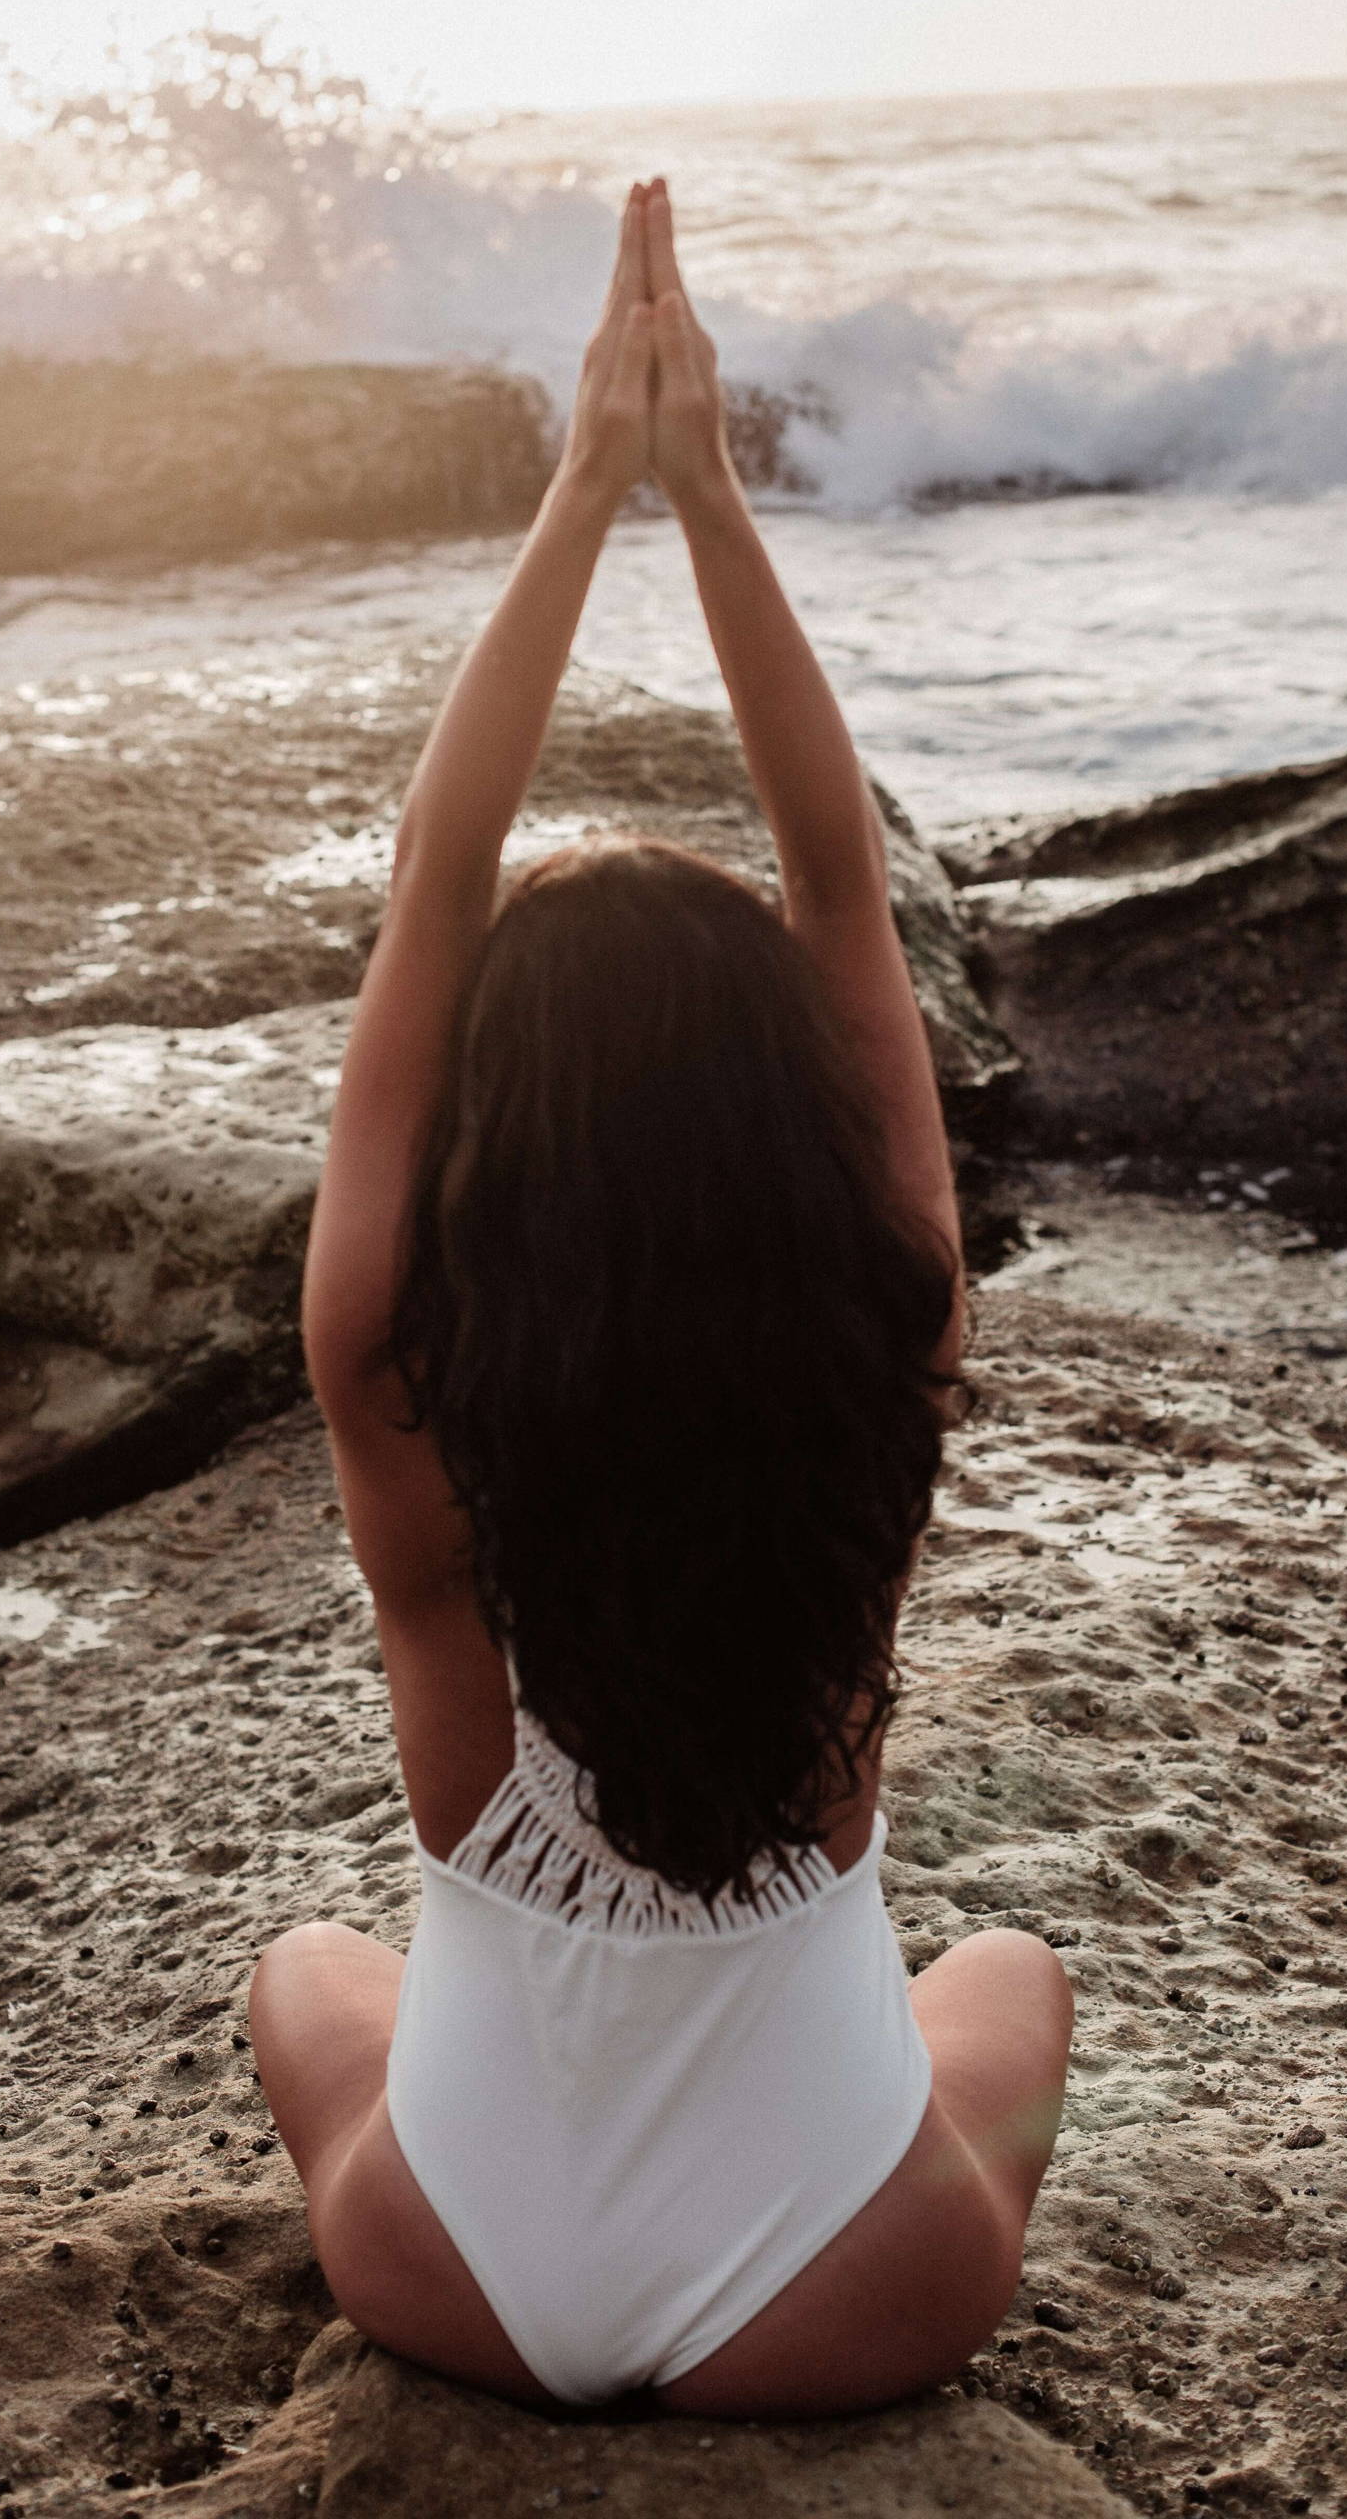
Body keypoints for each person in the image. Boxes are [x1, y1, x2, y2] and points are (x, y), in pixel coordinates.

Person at [249, 179, 1073, 2415]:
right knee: (1005, 1976)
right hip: (847, 2296)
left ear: (501, 1150)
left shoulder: (392, 1375)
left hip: (460, 2272)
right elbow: (835, 879)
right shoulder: (882, 1326)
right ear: (773, 1130)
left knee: (307, 1984)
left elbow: (434, 882)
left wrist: (574, 498)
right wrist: (709, 495)